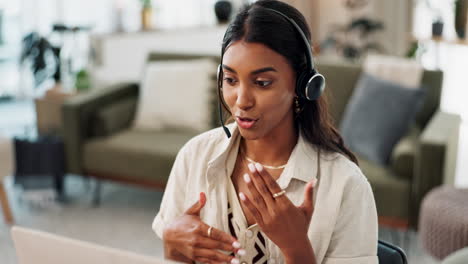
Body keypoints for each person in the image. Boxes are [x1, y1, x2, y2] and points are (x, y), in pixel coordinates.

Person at [152, 1, 378, 263]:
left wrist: (296, 247)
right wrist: (173, 245)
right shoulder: (194, 156)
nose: (241, 100)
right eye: (230, 80)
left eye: (262, 83)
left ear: (303, 84)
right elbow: (174, 258)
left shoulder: (346, 186)